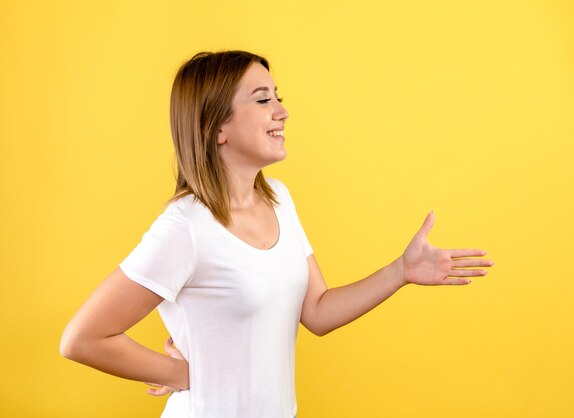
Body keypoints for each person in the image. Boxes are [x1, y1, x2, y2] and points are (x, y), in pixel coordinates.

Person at [60, 50, 494, 418]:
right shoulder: (186, 227)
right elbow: (82, 339)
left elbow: (319, 313)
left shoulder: (280, 201)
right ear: (217, 128)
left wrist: (400, 271)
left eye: (278, 98)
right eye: (263, 99)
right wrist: (180, 374)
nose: (282, 111)